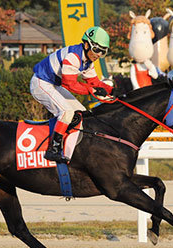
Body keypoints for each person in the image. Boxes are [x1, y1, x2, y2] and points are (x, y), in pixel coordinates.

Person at [31, 26, 113, 163]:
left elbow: (95, 83)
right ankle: (53, 150)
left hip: (53, 84)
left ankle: (70, 145)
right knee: (67, 112)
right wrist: (91, 90)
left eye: (103, 52)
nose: (98, 55)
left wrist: (113, 90)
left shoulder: (88, 62)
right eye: (97, 50)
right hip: (41, 83)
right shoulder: (73, 57)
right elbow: (69, 84)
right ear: (86, 45)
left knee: (81, 113)